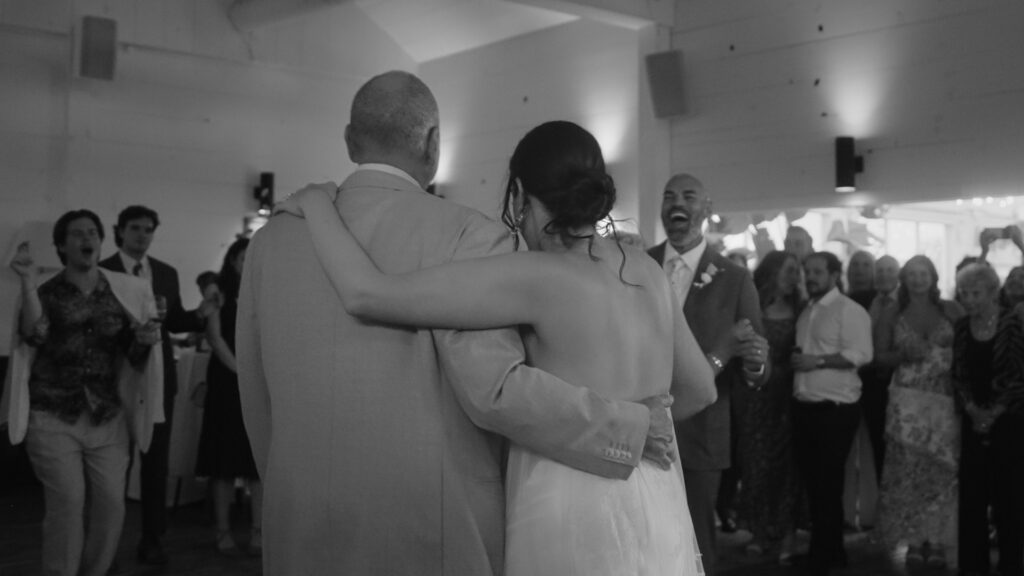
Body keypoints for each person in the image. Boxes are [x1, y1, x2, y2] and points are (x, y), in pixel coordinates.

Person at [236, 72, 701, 576]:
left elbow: (256, 389)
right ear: (434, 143)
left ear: (350, 140)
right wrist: (634, 424)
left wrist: (314, 203)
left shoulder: (271, 241)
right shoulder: (632, 268)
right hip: (452, 522)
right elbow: (496, 391)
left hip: (296, 521)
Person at [1, 210, 162, 576]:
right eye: (76, 234)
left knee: (111, 507)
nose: (87, 239)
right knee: (68, 504)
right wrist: (27, 283)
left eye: (92, 232)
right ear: (61, 245)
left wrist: (144, 340)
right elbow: (34, 334)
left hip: (106, 415)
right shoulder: (47, 290)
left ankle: (95, 571)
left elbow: (130, 353)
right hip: (54, 413)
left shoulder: (120, 290)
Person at [647, 172, 770, 576]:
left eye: (688, 195)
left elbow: (757, 368)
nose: (675, 203)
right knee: (645, 533)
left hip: (703, 427)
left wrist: (754, 361)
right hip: (640, 422)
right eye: (668, 196)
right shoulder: (637, 264)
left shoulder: (734, 278)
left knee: (697, 538)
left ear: (707, 209)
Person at [98, 205, 211, 565]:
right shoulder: (104, 272)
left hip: (159, 378)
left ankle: (152, 538)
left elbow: (174, 322)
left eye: (148, 229)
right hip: (114, 376)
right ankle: (103, 545)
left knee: (155, 463)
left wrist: (200, 314)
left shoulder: (165, 272)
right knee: (109, 465)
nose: (142, 235)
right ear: (120, 231)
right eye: (135, 228)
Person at [874, 255, 964, 568]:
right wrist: (901, 354)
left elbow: (968, 349)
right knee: (907, 472)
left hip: (943, 400)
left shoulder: (950, 310)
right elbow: (878, 357)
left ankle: (938, 538)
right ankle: (912, 539)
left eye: (922, 273)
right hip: (906, 403)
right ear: (904, 278)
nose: (917, 279)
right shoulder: (892, 312)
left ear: (933, 276)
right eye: (911, 274)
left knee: (942, 471)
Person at [790, 251, 872, 576]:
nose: (810, 277)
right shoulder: (807, 310)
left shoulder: (849, 310)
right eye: (807, 271)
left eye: (818, 272)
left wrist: (818, 362)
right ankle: (831, 551)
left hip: (835, 409)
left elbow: (862, 354)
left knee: (827, 485)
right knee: (814, 484)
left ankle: (821, 556)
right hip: (805, 406)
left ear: (835, 274)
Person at [953, 263, 1024, 576]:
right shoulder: (961, 327)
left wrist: (993, 413)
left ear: (993, 293)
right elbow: (958, 375)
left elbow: (1019, 376)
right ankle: (974, 564)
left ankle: (1011, 562)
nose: (968, 300)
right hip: (972, 420)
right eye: (964, 293)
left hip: (1008, 421)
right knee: (972, 496)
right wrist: (971, 409)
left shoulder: (1013, 325)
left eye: (975, 293)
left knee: (1009, 495)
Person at [734, 250, 804, 564]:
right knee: (756, 463)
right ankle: (760, 530)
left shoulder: (801, 308)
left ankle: (787, 531)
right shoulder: (753, 307)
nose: (795, 277)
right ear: (774, 271)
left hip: (789, 396)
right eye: (790, 270)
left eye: (797, 271)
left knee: (787, 465)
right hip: (756, 397)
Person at [194, 238, 262, 556]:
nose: (247, 262)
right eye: (243, 257)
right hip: (226, 378)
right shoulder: (218, 289)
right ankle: (222, 531)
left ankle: (259, 530)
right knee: (223, 462)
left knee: (256, 461)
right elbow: (214, 336)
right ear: (233, 259)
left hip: (258, 379)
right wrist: (239, 370)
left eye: (253, 257)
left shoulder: (266, 289)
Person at [861, 255, 900, 481]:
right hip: (870, 382)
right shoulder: (869, 301)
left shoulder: (905, 302)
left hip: (895, 381)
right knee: (876, 442)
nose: (884, 274)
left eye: (889, 270)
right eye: (880, 270)